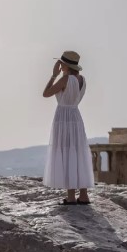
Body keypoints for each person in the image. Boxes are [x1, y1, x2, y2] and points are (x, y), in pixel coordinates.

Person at [42, 51, 94, 205]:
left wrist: (53, 75)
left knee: (66, 151)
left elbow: (46, 93)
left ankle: (71, 197)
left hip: (63, 117)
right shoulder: (82, 79)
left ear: (65, 65)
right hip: (76, 117)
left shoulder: (65, 79)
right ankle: (83, 195)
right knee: (78, 152)